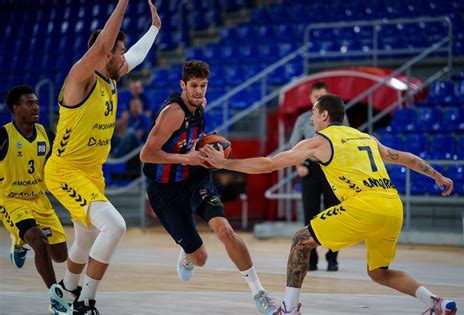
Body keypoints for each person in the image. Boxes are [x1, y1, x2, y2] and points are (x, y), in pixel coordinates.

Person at [201, 94, 457, 315]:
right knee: (379, 273)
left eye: (313, 113)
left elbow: (268, 164)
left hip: (364, 206)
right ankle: (436, 302)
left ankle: (289, 309)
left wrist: (224, 164)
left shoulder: (319, 141)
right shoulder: (365, 137)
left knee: (301, 240)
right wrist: (437, 176)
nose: (311, 119)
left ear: (324, 115)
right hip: (392, 207)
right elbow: (407, 159)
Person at [44, 1, 161, 313]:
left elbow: (135, 55)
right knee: (115, 226)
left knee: (87, 236)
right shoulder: (80, 78)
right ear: (104, 52)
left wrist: (154, 29)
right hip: (65, 170)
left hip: (91, 171)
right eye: (117, 51)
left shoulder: (112, 76)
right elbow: (105, 45)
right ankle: (85, 301)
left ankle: (65, 292)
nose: (123, 58)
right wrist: (123, 2)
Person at [139, 60, 279, 314]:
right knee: (200, 259)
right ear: (183, 85)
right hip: (164, 189)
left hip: (194, 176)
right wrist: (185, 157)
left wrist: (207, 148)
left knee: (225, 230)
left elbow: (192, 140)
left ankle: (259, 292)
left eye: (203, 85)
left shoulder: (200, 106)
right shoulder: (173, 113)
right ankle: (187, 250)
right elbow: (146, 154)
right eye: (193, 85)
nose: (199, 91)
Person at [0, 85, 70, 313]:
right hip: (11, 200)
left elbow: (58, 167)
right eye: (29, 103)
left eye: (37, 102)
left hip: (40, 201)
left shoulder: (46, 135)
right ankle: (56, 298)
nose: (36, 107)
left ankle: (19, 243)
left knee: (60, 255)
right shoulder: (3, 136)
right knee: (38, 240)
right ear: (15, 108)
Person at [289, 82, 340, 272]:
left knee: (335, 215)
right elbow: (293, 145)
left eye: (322, 96)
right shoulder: (303, 119)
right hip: (311, 170)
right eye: (315, 96)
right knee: (310, 214)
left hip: (332, 171)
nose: (318, 99)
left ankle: (332, 258)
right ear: (310, 98)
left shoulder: (338, 121)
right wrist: (298, 166)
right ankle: (311, 259)